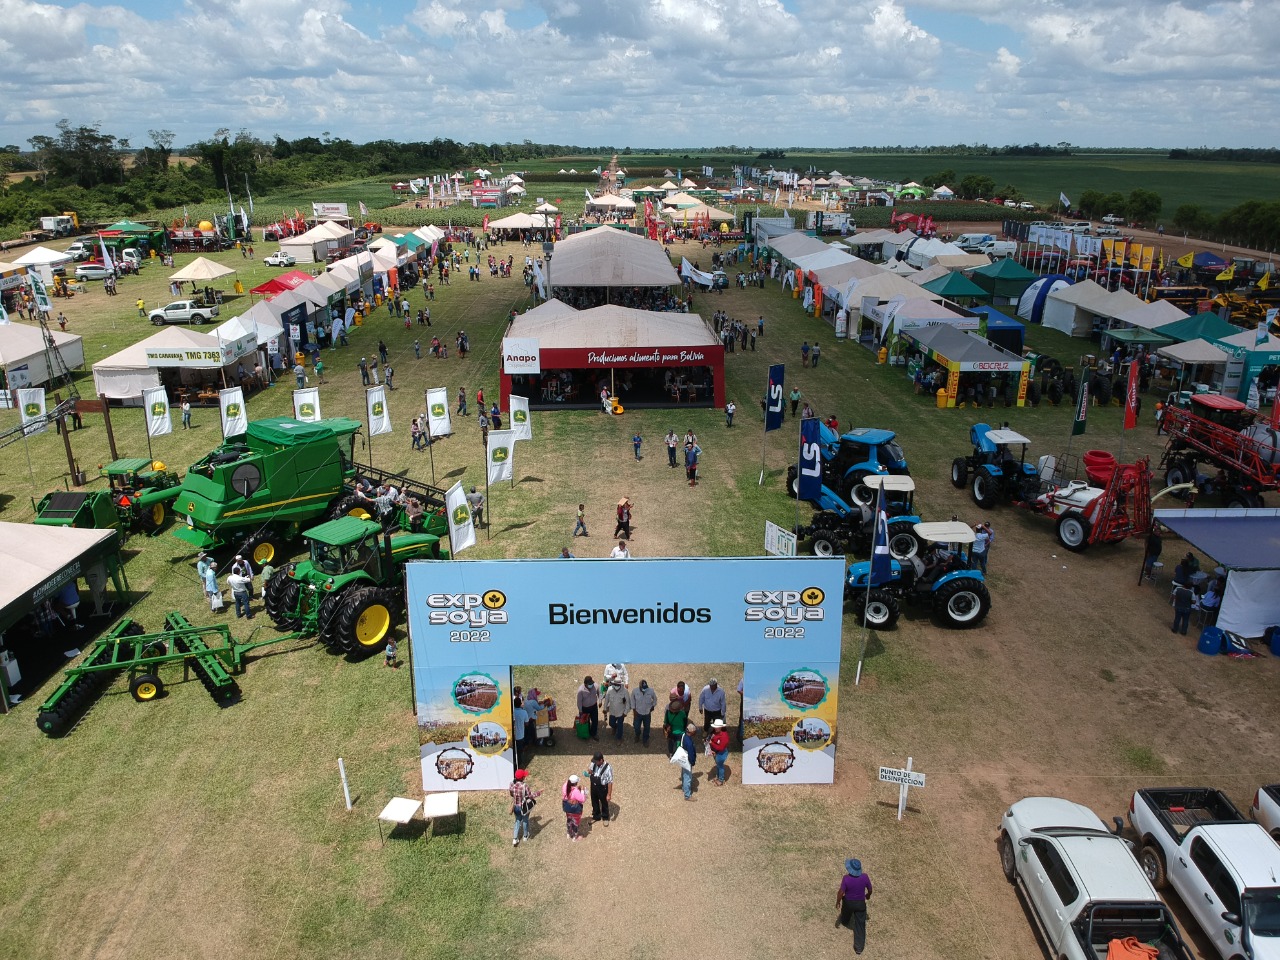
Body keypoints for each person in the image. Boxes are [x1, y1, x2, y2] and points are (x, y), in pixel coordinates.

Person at [837, 858, 874, 955]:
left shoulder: (846, 878)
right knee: (860, 925)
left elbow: (841, 892)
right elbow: (870, 889)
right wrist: (868, 895)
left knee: (845, 911)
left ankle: (845, 920)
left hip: (848, 903)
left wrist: (838, 902)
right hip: (860, 904)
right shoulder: (865, 877)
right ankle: (859, 948)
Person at [509, 769, 540, 847]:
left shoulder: (511, 784)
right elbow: (531, 796)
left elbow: (511, 794)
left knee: (517, 821)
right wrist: (539, 792)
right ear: (522, 778)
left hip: (516, 807)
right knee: (525, 820)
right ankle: (525, 836)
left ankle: (515, 838)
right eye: (524, 776)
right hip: (524, 807)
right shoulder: (524, 785)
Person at [587, 752, 614, 824]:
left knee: (604, 802)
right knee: (594, 801)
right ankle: (596, 816)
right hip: (593, 786)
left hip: (602, 788)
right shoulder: (593, 763)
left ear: (601, 760)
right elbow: (589, 770)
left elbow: (610, 782)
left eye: (596, 761)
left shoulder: (608, 768)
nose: (594, 762)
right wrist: (589, 771)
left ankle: (605, 817)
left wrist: (609, 794)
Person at [632, 678, 657, 747]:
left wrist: (652, 706)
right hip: (638, 713)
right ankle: (637, 735)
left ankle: (645, 740)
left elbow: (655, 700)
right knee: (636, 726)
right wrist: (634, 710)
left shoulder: (651, 691)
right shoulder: (635, 691)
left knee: (647, 727)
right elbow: (632, 701)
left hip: (647, 713)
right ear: (640, 687)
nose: (644, 690)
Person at [562, 774, 586, 841]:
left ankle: (569, 833)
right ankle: (575, 837)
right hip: (575, 809)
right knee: (575, 822)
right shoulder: (575, 791)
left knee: (569, 820)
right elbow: (582, 799)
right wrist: (582, 791)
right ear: (575, 783)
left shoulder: (565, 785)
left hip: (567, 807)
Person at [678, 723, 698, 800]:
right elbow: (691, 754)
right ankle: (687, 795)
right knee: (688, 777)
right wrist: (692, 762)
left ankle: (684, 787)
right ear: (691, 732)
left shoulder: (684, 735)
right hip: (687, 760)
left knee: (683, 774)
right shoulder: (689, 742)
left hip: (683, 758)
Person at [576, 676, 600, 740]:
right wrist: (580, 710)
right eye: (589, 684)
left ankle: (594, 733)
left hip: (594, 707)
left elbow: (599, 694)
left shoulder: (596, 686)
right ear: (585, 684)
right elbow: (579, 702)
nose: (591, 685)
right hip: (585, 708)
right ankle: (586, 733)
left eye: (592, 683)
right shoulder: (580, 690)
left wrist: (600, 701)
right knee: (586, 721)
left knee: (595, 721)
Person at [709, 718, 730, 785]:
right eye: (715, 727)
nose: (715, 728)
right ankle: (718, 777)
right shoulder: (714, 732)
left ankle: (721, 780)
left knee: (720, 766)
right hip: (716, 752)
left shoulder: (724, 736)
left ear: (721, 727)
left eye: (717, 727)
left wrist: (712, 743)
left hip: (721, 753)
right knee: (718, 765)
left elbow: (721, 748)